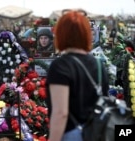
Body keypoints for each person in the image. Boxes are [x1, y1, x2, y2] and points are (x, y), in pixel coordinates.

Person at [45, 10, 109, 141]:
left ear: (61, 34)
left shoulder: (60, 66)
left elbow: (61, 113)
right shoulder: (99, 64)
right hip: (97, 133)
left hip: (73, 134)